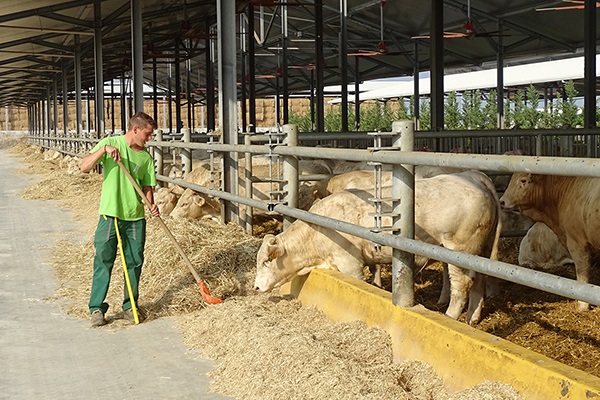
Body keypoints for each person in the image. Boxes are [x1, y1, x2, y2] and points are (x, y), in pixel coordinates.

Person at [80, 112, 160, 327]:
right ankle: (96, 308)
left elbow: (147, 186)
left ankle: (130, 306)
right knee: (104, 261)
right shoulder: (111, 143)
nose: (150, 138)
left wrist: (151, 204)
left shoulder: (146, 157)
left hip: (135, 217)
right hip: (110, 215)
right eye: (148, 133)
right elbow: (84, 167)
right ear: (136, 129)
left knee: (134, 263)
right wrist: (103, 151)